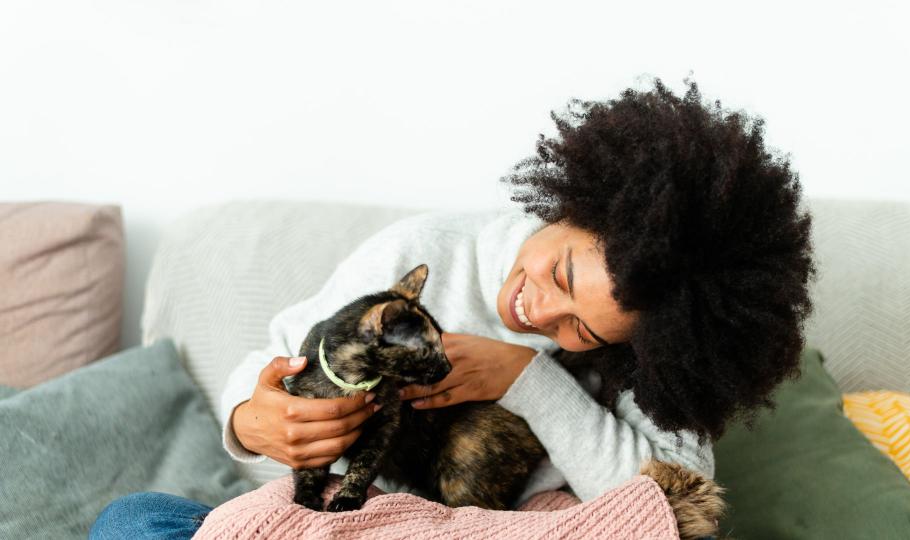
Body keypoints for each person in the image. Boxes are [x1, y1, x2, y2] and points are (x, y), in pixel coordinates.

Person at [90, 77, 815, 539]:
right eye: (560, 271)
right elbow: (277, 358)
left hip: (520, 528)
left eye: (580, 329)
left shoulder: (654, 349)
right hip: (361, 517)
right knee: (134, 523)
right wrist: (253, 419)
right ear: (574, 201)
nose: (540, 313)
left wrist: (525, 381)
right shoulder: (429, 248)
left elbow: (669, 506)